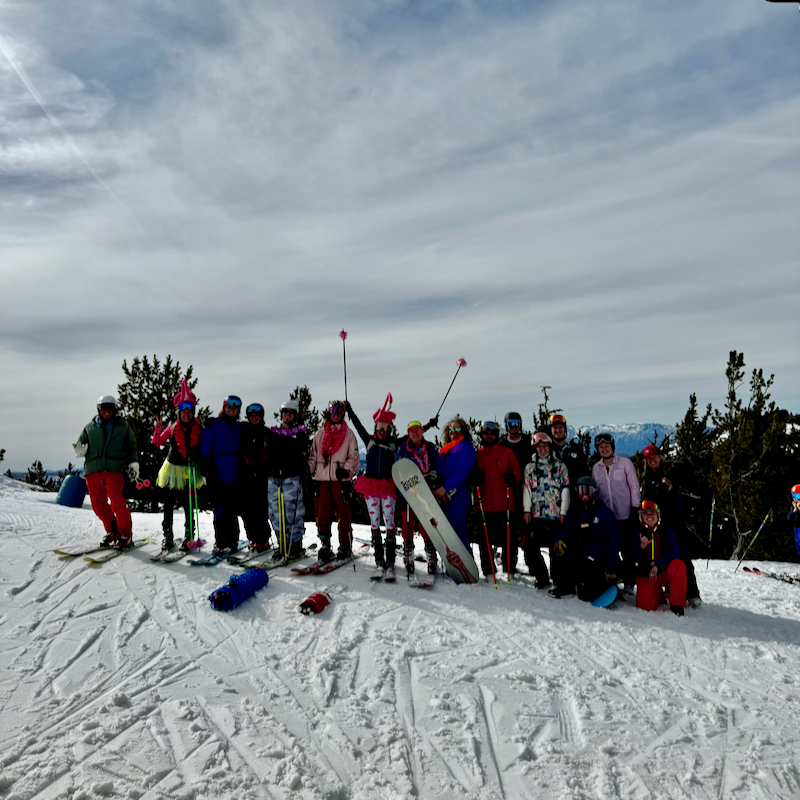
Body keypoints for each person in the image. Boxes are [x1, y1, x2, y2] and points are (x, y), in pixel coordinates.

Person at [73, 395, 138, 548]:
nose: (107, 411)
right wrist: (80, 449)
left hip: (115, 468)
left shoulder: (123, 426)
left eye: (110, 408)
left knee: (117, 502)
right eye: (104, 408)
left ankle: (125, 534)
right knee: (97, 504)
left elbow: (131, 445)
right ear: (99, 409)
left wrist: (134, 463)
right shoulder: (90, 427)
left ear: (115, 409)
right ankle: (112, 531)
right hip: (93, 469)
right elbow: (80, 444)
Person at [641, 444, 701, 607]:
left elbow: (675, 494)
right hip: (657, 523)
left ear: (660, 457)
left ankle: (692, 592)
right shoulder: (647, 477)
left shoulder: (668, 473)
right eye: (648, 458)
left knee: (682, 556)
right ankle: (669, 588)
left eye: (654, 457)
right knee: (661, 555)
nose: (652, 460)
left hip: (674, 522)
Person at [151, 380, 205, 551]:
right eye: (183, 410)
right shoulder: (173, 427)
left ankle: (189, 536)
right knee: (168, 503)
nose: (186, 414)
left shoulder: (199, 428)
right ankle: (168, 536)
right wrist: (158, 430)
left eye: (189, 410)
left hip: (190, 469)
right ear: (178, 412)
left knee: (188, 503)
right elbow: (157, 441)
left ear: (193, 412)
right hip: (172, 469)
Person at [550, 476, 619, 601]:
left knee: (587, 595)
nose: (585, 493)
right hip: (580, 554)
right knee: (559, 549)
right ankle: (565, 586)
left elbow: (613, 541)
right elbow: (567, 531)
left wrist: (611, 567)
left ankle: (604, 585)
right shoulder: (574, 512)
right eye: (581, 489)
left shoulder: (604, 513)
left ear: (594, 492)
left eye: (588, 489)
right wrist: (558, 540)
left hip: (598, 559)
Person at [308, 400, 360, 563]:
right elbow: (313, 455)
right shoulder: (320, 433)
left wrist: (346, 470)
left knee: (343, 513)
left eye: (339, 410)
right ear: (329, 412)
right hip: (322, 479)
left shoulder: (349, 434)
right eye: (333, 409)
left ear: (343, 413)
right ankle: (325, 545)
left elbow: (353, 456)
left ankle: (345, 544)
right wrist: (308, 468)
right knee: (322, 512)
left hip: (340, 479)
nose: (336, 413)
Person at [591, 433, 640, 594]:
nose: (604, 449)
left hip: (625, 515)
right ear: (598, 449)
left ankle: (628, 583)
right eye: (601, 447)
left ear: (612, 447)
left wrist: (635, 508)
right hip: (607, 517)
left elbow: (634, 486)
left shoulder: (625, 464)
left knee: (627, 550)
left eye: (607, 446)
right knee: (609, 550)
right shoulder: (596, 469)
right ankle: (612, 577)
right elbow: (595, 492)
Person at [474, 421, 522, 578]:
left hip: (506, 503)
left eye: (492, 434)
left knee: (509, 538)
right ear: (482, 435)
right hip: (484, 503)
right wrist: (472, 477)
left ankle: (509, 569)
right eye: (486, 434)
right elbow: (468, 473)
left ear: (496, 435)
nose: (489, 436)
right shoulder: (477, 454)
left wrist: (513, 477)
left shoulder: (506, 452)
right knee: (484, 540)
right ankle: (488, 570)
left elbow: (517, 469)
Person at [522, 432, 570, 589]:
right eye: (539, 446)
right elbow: (527, 489)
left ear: (549, 446)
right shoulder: (530, 467)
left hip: (555, 514)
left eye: (544, 445)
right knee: (530, 548)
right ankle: (541, 576)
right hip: (537, 514)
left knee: (556, 548)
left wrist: (563, 511)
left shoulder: (559, 466)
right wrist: (527, 510)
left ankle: (558, 579)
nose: (542, 449)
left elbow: (565, 489)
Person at [266, 400, 309, 559]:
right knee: (276, 512)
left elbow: (300, 452)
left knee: (293, 512)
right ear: (281, 413)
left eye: (291, 412)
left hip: (291, 477)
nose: (287, 415)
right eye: (285, 412)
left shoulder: (300, 433)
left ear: (294, 415)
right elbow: (267, 452)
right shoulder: (272, 432)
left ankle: (295, 544)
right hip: (274, 477)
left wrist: (290, 462)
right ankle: (282, 544)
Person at [201, 395, 244, 554]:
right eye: (229, 407)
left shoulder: (240, 428)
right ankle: (220, 541)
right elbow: (206, 447)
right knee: (219, 510)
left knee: (231, 511)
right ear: (224, 407)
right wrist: (209, 468)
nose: (232, 410)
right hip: (216, 476)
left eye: (235, 408)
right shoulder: (213, 425)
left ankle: (232, 542)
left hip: (233, 476)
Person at [397, 421, 440, 575]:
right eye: (412, 431)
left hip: (426, 488)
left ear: (422, 431)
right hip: (408, 489)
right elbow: (399, 467)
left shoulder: (430, 447)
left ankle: (431, 556)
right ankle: (408, 556)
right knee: (407, 521)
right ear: (408, 433)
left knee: (426, 523)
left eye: (417, 430)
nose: (415, 433)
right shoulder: (403, 447)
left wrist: (435, 472)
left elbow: (437, 462)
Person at [634, 500, 687, 616]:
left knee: (679, 566)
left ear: (658, 515)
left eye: (652, 513)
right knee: (646, 606)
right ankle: (658, 594)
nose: (649, 516)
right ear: (641, 516)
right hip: (647, 574)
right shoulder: (637, 533)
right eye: (645, 513)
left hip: (664, 572)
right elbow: (634, 559)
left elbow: (674, 555)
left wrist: (658, 566)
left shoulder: (668, 533)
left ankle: (677, 604)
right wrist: (641, 548)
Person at [434, 417, 477, 551]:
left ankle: (465, 562)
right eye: (451, 429)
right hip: (445, 496)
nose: (453, 431)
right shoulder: (447, 449)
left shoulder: (465, 447)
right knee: (447, 532)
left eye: (457, 428)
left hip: (457, 495)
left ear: (463, 430)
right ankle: (453, 563)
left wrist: (445, 487)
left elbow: (461, 471)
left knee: (457, 530)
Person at [499, 412, 532, 577]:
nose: (514, 427)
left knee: (528, 530)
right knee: (509, 531)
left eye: (516, 423)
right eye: (510, 423)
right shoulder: (502, 445)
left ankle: (532, 565)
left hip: (528, 492)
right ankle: (509, 566)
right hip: (509, 492)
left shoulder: (529, 442)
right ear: (506, 426)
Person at [238, 402, 272, 553]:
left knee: (260, 510)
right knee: (246, 510)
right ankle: (253, 537)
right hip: (245, 477)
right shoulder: (243, 430)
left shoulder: (267, 433)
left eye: (256, 416)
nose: (254, 418)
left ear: (261, 416)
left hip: (262, 477)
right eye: (251, 416)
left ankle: (263, 539)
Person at [548, 413, 589, 492]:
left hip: (574, 496)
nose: (558, 430)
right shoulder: (547, 450)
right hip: (552, 497)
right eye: (554, 427)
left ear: (565, 429)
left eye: (560, 427)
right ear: (550, 430)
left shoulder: (576, 449)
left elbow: (585, 473)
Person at [789, 484, 800, 556]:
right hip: (797, 528)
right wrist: (794, 510)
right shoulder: (794, 506)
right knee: (798, 547)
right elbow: (789, 518)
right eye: (793, 496)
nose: (794, 499)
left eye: (796, 496)